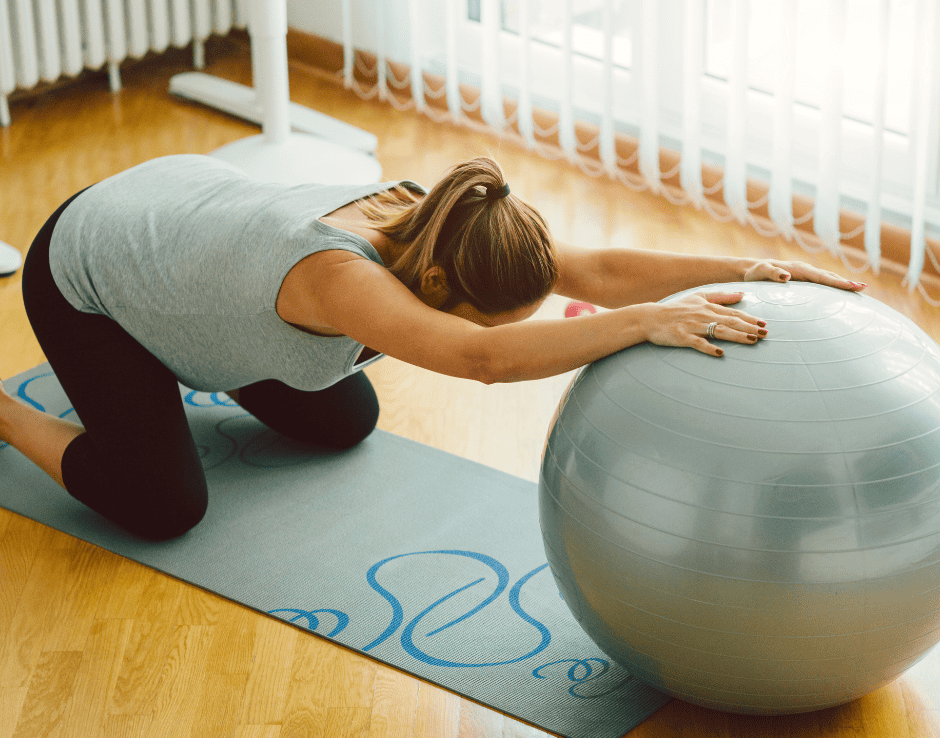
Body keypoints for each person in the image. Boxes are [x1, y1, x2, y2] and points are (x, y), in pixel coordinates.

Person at [1, 154, 865, 540]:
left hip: (179, 221)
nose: (493, 326)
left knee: (344, 420)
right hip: (91, 270)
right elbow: (481, 360)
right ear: (447, 293)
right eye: (487, 315)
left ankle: (188, 349)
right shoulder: (341, 281)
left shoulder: (457, 230)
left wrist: (756, 269)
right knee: (163, 506)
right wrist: (647, 322)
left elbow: (597, 267)